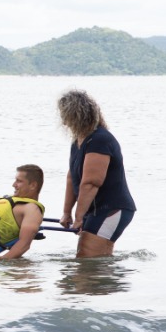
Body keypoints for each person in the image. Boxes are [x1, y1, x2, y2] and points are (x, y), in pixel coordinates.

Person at [56, 89, 136, 258]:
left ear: (75, 115)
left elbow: (91, 182)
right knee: (93, 260)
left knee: (87, 259)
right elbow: (72, 177)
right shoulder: (77, 141)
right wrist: (66, 212)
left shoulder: (100, 140)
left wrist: (78, 218)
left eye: (65, 116)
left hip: (111, 207)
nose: (63, 122)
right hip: (94, 208)